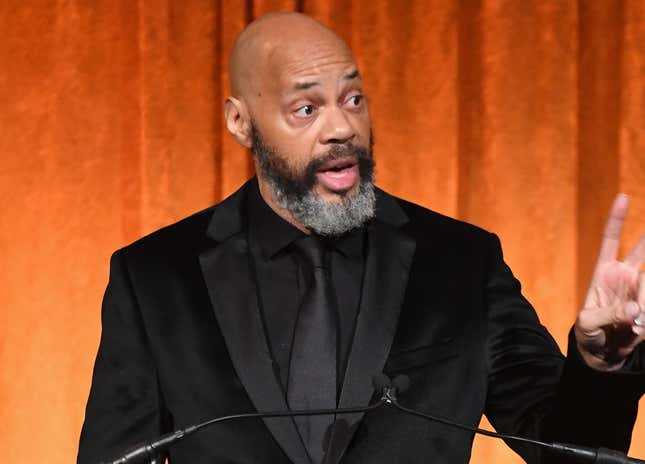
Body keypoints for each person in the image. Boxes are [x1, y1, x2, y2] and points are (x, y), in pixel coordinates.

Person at [78, 12, 645, 464]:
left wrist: (602, 367)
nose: (343, 127)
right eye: (306, 108)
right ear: (240, 121)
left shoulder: (460, 263)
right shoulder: (154, 277)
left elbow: (565, 449)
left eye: (353, 99)